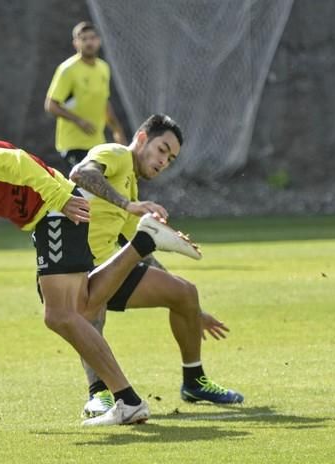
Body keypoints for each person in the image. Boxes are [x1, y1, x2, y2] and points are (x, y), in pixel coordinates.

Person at [0, 125, 202, 426]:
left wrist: (61, 198)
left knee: (60, 315)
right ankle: (143, 243)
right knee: (83, 307)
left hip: (54, 210)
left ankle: (127, 399)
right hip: (49, 214)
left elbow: (16, 161)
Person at [69, 114, 244, 420]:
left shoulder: (130, 188)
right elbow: (79, 172)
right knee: (92, 309)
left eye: (171, 158)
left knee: (185, 292)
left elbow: (139, 249)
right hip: (68, 272)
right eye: (162, 149)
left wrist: (194, 310)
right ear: (140, 140)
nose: (165, 161)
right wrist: (127, 205)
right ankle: (99, 395)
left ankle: (194, 382)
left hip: (105, 268)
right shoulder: (117, 154)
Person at [45, 21, 126, 176]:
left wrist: (117, 131)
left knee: (101, 190)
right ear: (76, 43)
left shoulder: (103, 68)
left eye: (92, 38)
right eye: (84, 39)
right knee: (88, 186)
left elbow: (104, 102)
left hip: (97, 144)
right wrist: (78, 120)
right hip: (73, 144)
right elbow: (51, 105)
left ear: (99, 40)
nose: (89, 42)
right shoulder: (67, 70)